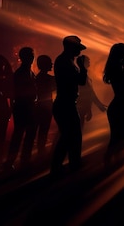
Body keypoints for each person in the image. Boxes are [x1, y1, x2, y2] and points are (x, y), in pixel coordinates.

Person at [50, 35, 88, 178]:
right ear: (70, 47)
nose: (79, 51)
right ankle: (61, 167)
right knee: (70, 136)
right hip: (65, 104)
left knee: (70, 136)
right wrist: (83, 68)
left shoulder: (66, 61)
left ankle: (68, 165)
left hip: (66, 104)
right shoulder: (65, 62)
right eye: (77, 48)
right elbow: (81, 81)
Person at [103, 43, 124, 167]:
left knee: (120, 137)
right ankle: (111, 163)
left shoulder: (117, 69)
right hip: (120, 106)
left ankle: (114, 162)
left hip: (121, 105)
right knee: (118, 137)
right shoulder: (118, 70)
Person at [5, 47, 38, 171]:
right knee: (21, 135)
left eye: (32, 55)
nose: (32, 58)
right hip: (23, 107)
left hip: (26, 107)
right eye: (31, 55)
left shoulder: (27, 72)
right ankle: (14, 162)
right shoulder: (21, 73)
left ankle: (21, 161)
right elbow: (15, 93)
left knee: (25, 135)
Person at [76, 55, 107, 130]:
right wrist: (97, 106)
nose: (90, 62)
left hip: (81, 106)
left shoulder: (84, 75)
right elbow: (89, 93)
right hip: (81, 106)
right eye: (88, 61)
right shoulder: (82, 76)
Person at [35, 54, 56, 159]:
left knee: (41, 130)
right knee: (43, 129)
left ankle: (40, 151)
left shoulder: (37, 77)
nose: (52, 64)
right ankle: (40, 152)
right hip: (44, 106)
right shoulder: (47, 78)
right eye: (50, 62)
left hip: (41, 106)